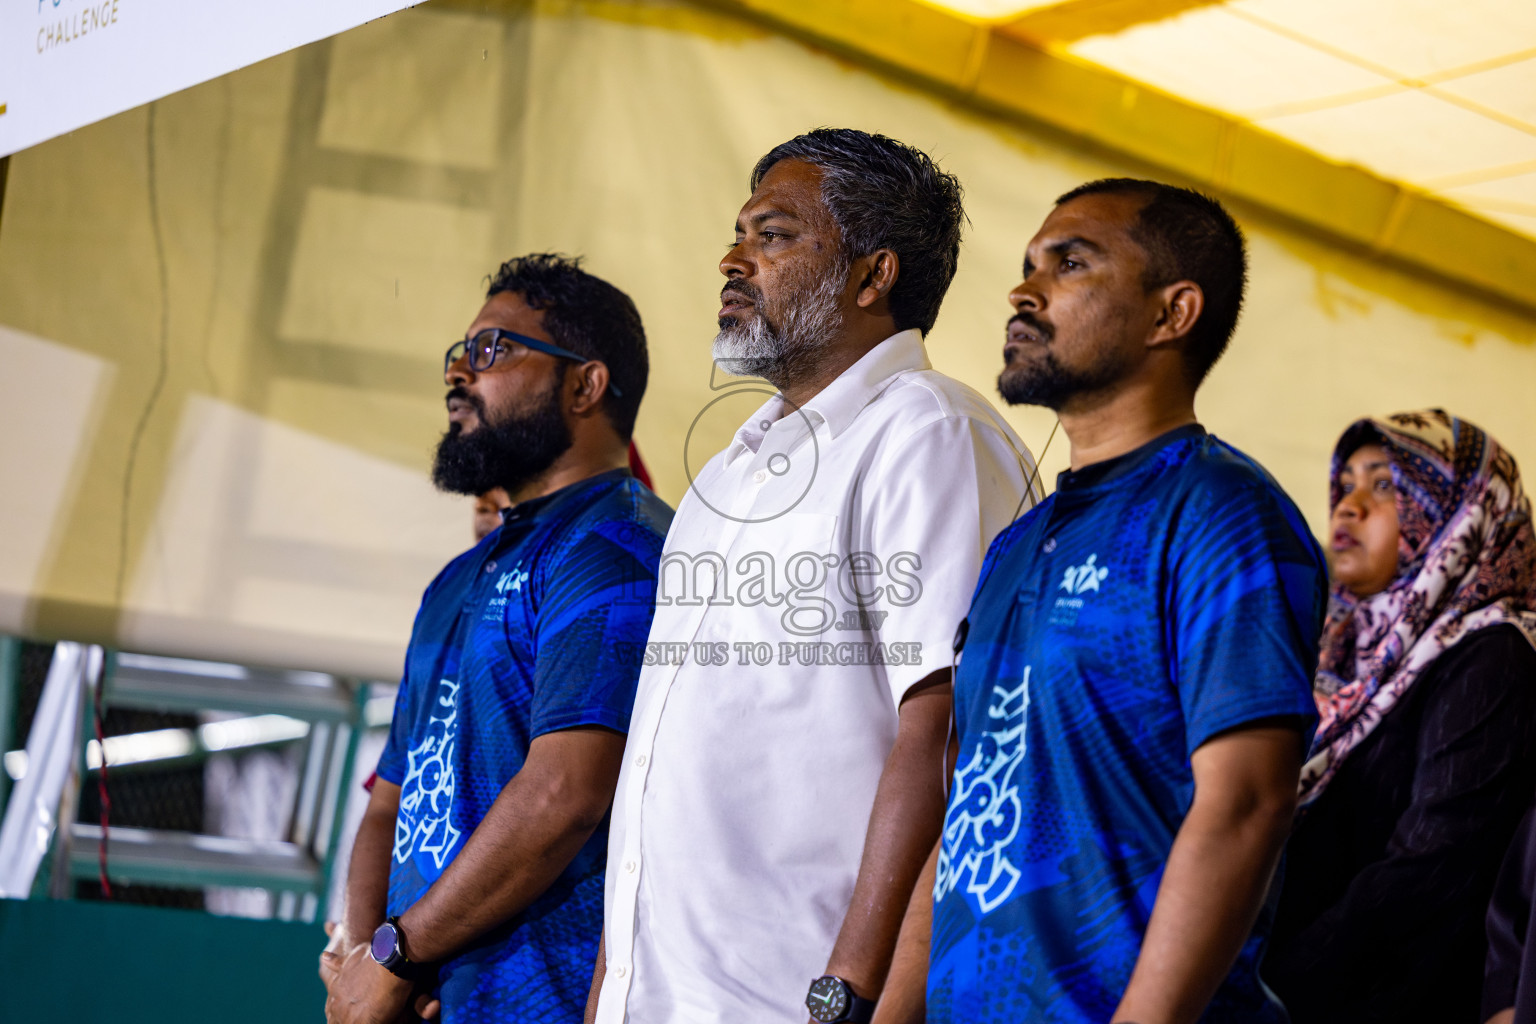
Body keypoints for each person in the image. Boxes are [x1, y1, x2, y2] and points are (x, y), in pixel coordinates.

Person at [588, 129, 1033, 1024]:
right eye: (738, 233)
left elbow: (947, 733)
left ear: (872, 277)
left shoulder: (928, 434)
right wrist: (612, 987)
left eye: (774, 235)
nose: (731, 259)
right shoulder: (725, 472)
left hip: (801, 1001)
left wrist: (853, 997)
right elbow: (660, 762)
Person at [880, 178, 1328, 1024]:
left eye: (1071, 262)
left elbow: (1246, 803)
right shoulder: (1020, 542)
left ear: (1173, 313)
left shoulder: (1220, 513)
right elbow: (969, 807)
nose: (1023, 289)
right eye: (1026, 265)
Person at [319, 253, 673, 1024]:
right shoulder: (454, 581)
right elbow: (389, 805)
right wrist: (361, 952)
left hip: (539, 999)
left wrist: (396, 954)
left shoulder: (620, 545)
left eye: (492, 351)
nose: (458, 375)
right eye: (458, 354)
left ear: (586, 384)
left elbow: (565, 792)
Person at [1264, 410, 1536, 1024]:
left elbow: (1431, 870)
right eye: (1346, 484)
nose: (1349, 506)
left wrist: (1268, 991)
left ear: (1460, 512)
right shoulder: (1340, 640)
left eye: (1385, 485)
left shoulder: (1493, 655)